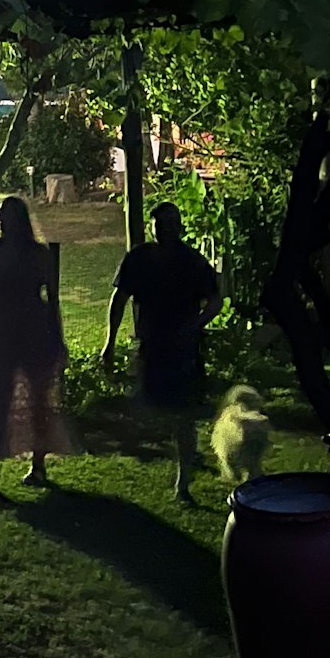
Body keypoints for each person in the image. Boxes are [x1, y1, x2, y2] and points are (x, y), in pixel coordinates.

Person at [102, 202, 223, 503]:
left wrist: (195, 325)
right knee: (147, 407)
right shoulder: (139, 258)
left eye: (170, 223)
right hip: (151, 345)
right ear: (152, 227)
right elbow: (119, 299)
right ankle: (163, 462)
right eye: (160, 224)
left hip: (182, 348)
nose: (166, 229)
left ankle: (183, 480)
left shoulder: (192, 262)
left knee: (183, 415)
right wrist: (110, 341)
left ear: (179, 226)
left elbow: (215, 301)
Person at [0, 196, 75, 498]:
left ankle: (36, 465)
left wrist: (57, 335)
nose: (1, 220)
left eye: (5, 215)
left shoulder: (35, 254)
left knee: (36, 398)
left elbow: (50, 298)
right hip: (5, 330)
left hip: (29, 328)